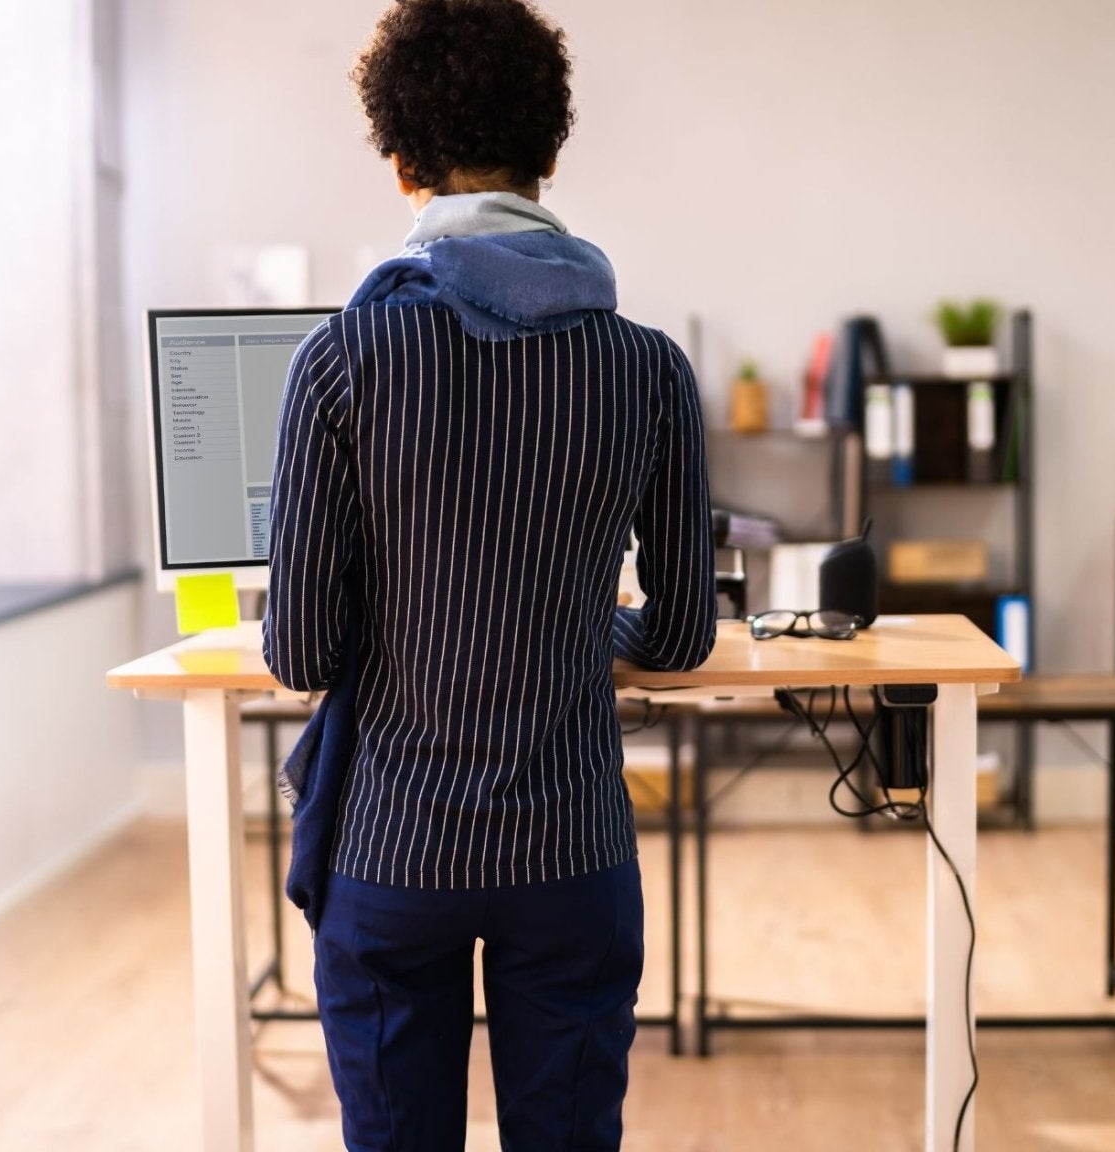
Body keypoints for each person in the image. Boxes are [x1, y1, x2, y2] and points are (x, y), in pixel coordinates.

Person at [262, 1, 716, 1148]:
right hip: (571, 853)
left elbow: (302, 653)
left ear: (401, 160)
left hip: (389, 852)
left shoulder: (342, 360)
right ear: (548, 155)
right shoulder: (648, 369)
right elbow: (678, 635)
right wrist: (579, 634)